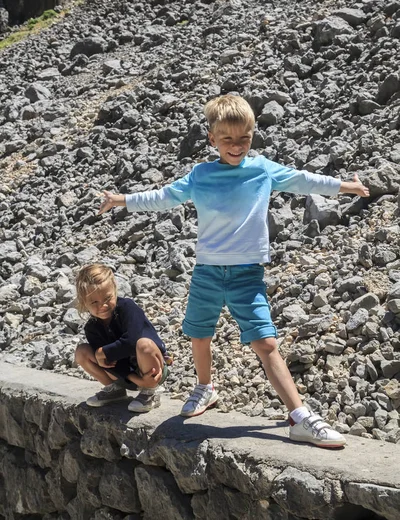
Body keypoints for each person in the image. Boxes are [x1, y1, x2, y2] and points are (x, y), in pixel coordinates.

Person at [97, 94, 370, 448]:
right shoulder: (201, 175)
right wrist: (122, 200)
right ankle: (205, 387)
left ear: (253, 135)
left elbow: (303, 180)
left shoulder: (262, 169)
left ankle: (299, 417)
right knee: (199, 333)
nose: (237, 146)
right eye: (227, 139)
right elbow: (164, 197)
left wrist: (345, 186)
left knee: (266, 342)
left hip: (246, 275)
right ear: (212, 138)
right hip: (207, 273)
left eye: (244, 138)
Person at [74, 263, 172, 412]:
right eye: (94, 302)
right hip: (124, 375)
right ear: (84, 302)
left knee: (143, 345)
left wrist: (104, 352)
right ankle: (114, 390)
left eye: (107, 298)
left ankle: (150, 392)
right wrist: (136, 380)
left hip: (152, 370)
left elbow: (132, 341)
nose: (103, 306)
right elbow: (107, 363)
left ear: (114, 290)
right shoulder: (92, 328)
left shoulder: (128, 308)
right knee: (82, 352)